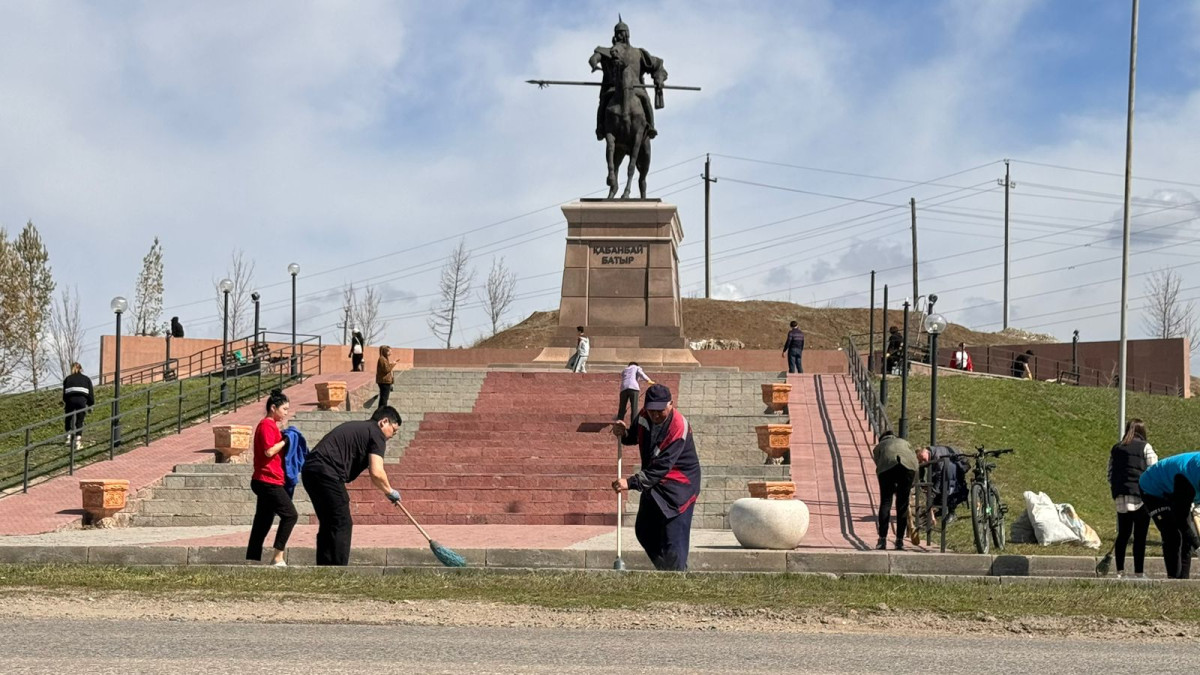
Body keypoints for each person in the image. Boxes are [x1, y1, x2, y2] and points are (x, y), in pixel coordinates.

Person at [611, 383, 701, 571]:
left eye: (660, 410)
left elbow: (662, 466)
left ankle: (676, 576)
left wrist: (631, 483)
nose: (655, 415)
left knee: (673, 539)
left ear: (671, 404)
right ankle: (667, 572)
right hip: (655, 485)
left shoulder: (678, 427)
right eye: (652, 410)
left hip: (679, 488)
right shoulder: (645, 416)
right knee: (644, 529)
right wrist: (623, 433)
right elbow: (634, 436)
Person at [300, 406, 403, 566]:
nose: (392, 436)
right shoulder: (376, 433)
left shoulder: (361, 428)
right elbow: (377, 472)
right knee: (342, 522)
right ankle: (339, 569)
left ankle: (325, 568)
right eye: (393, 430)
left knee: (329, 522)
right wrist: (390, 491)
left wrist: (387, 490)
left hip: (310, 471)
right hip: (327, 471)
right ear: (384, 422)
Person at [589, 17, 666, 141]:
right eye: (617, 33)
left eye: (622, 33)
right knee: (603, 103)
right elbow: (594, 58)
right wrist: (594, 64)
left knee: (645, 100)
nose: (619, 36)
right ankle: (600, 128)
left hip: (636, 88)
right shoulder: (608, 52)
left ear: (627, 34)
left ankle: (651, 126)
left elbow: (658, 66)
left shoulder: (639, 53)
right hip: (613, 88)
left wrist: (659, 79)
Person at [245, 389, 298, 566]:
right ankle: (278, 557)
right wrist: (285, 441)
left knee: (263, 519)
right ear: (273, 408)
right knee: (290, 515)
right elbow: (268, 451)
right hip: (267, 480)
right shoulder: (266, 425)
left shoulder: (271, 425)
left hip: (268, 479)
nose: (286, 413)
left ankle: (252, 558)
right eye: (284, 409)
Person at [1107, 418, 1158, 578]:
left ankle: (1120, 571)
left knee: (1123, 534)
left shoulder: (1116, 448)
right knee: (1140, 536)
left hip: (1121, 496)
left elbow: (1109, 473)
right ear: (1142, 432)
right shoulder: (1145, 447)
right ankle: (1139, 572)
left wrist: (1117, 488)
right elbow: (1154, 470)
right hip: (1140, 496)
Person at [1138, 451, 1200, 579]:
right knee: (1173, 535)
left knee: (1187, 542)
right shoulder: (1187, 481)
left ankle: (1183, 582)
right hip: (1153, 490)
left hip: (1177, 486)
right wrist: (1198, 547)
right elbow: (1181, 521)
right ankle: (1173, 580)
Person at [872, 430, 917, 550]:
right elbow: (913, 457)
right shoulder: (904, 442)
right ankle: (899, 541)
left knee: (886, 502)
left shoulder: (880, 446)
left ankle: (882, 540)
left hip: (887, 468)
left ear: (882, 439)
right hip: (909, 468)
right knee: (902, 503)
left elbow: (878, 462)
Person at [917, 445, 969, 522]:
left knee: (949, 485)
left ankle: (952, 512)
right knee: (935, 481)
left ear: (927, 452)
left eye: (924, 459)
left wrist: (934, 492)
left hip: (959, 464)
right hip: (945, 467)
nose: (923, 462)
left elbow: (940, 476)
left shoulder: (937, 456)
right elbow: (921, 467)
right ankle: (942, 508)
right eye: (921, 460)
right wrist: (922, 481)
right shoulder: (926, 454)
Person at [61, 363, 94, 447]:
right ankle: (78, 439)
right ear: (81, 369)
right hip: (81, 401)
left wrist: (66, 401)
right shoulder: (86, 379)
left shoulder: (68, 379)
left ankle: (68, 436)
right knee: (80, 419)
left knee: (68, 417)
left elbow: (64, 395)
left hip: (70, 400)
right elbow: (90, 394)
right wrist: (90, 404)